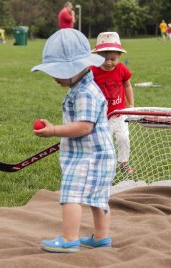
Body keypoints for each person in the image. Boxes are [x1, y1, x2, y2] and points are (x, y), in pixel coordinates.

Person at [31, 29, 117, 253]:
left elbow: (84, 126)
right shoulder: (83, 86)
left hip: (89, 156)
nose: (54, 77)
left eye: (58, 72)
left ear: (74, 68)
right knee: (98, 197)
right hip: (99, 155)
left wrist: (54, 131)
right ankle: (101, 237)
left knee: (71, 194)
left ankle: (69, 239)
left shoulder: (85, 92)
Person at [90, 32, 135, 174]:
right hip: (102, 116)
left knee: (123, 138)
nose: (108, 62)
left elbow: (127, 86)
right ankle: (103, 165)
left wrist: (131, 104)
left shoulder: (122, 69)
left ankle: (123, 163)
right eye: (104, 58)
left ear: (119, 56)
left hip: (120, 114)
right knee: (104, 143)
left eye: (112, 59)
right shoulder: (92, 71)